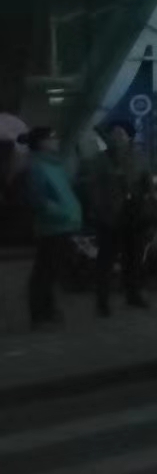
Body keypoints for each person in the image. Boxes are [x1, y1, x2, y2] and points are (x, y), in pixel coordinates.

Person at [83, 119, 154, 316]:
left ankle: (133, 294)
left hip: (135, 214)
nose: (116, 137)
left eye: (120, 133)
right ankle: (102, 302)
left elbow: (147, 182)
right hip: (110, 216)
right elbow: (94, 188)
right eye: (113, 133)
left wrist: (148, 198)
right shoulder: (101, 160)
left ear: (129, 136)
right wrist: (99, 209)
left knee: (134, 258)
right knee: (106, 261)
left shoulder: (139, 157)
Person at [23, 127, 82, 329]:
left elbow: (65, 192)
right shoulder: (36, 167)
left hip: (64, 225)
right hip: (52, 226)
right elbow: (38, 200)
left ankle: (48, 310)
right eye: (52, 138)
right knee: (44, 272)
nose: (56, 141)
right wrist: (65, 213)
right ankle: (39, 316)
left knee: (52, 272)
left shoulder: (55, 164)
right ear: (41, 143)